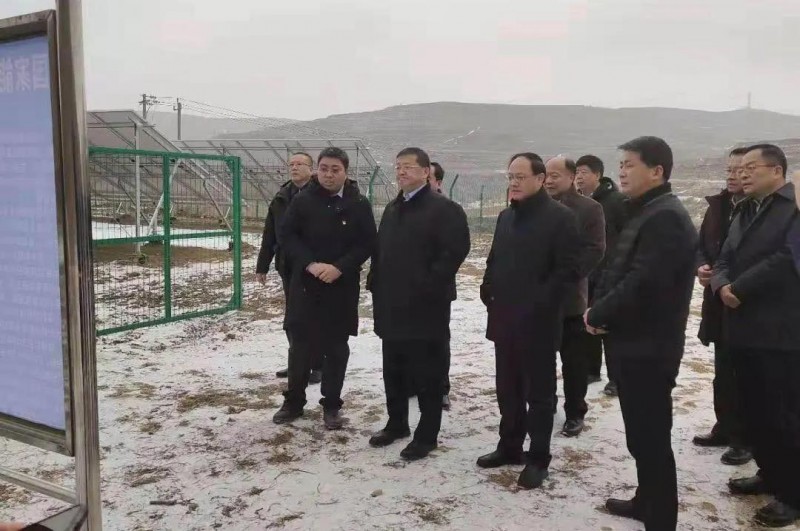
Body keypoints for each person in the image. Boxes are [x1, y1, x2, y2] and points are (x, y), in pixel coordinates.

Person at [585, 136, 697, 531]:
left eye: (629, 164)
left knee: (651, 439)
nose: (622, 172)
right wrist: (600, 309)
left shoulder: (665, 217)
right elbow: (619, 269)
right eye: (620, 164)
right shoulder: (645, 210)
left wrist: (600, 312)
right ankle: (646, 501)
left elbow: (642, 282)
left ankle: (660, 519)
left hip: (650, 348)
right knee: (641, 436)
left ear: (657, 171)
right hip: (633, 342)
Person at [477, 152, 580, 489]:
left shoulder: (561, 218)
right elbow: (495, 259)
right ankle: (509, 446)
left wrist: (539, 303)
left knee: (539, 394)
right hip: (504, 319)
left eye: (520, 177)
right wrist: (487, 286)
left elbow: (567, 271)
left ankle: (538, 458)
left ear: (540, 179)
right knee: (507, 389)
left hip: (538, 323)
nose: (514, 182)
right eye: (510, 177)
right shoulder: (506, 216)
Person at [710, 144, 800, 528]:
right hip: (741, 328)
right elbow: (724, 255)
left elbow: (787, 258)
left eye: (751, 167)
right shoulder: (744, 208)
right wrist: (720, 284)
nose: (742, 174)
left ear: (777, 171)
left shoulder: (793, 210)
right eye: (739, 168)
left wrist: (740, 288)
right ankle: (770, 472)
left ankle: (792, 493)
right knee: (754, 411)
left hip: (779, 332)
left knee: (784, 415)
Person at [368, 148, 470, 460]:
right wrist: (376, 282)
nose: (401, 172)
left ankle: (427, 435)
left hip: (426, 307)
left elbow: (454, 253)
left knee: (428, 374)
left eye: (409, 167)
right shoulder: (393, 207)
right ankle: (397, 423)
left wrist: (425, 286)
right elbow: (381, 251)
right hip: (391, 305)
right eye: (398, 166)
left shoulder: (444, 209)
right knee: (394, 369)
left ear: (426, 172)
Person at [273, 147, 377, 430]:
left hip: (340, 286)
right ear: (317, 170)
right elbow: (287, 235)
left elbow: (367, 242)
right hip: (305, 284)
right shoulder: (303, 200)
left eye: (335, 169)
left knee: (336, 347)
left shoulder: (358, 203)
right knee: (300, 346)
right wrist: (309, 264)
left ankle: (331, 405)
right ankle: (294, 402)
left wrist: (340, 267)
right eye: (324, 169)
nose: (329, 174)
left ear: (345, 172)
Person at [692, 147, 751, 466]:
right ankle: (725, 427)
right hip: (717, 301)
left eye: (740, 170)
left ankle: (746, 439)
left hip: (745, 301)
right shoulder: (718, 206)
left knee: (746, 375)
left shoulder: (762, 209)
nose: (733, 175)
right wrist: (701, 266)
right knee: (723, 372)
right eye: (729, 169)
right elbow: (702, 245)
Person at [544, 156, 605, 437]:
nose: (549, 180)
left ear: (571, 177)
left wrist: (566, 276)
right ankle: (545, 404)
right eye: (546, 175)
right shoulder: (535, 206)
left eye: (555, 175)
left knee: (574, 363)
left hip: (570, 300)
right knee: (542, 359)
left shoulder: (589, 208)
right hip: (539, 301)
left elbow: (595, 249)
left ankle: (575, 412)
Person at [256, 153, 323, 384]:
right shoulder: (282, 197)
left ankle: (318, 364)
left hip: (315, 267)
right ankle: (297, 362)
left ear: (311, 169)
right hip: (288, 266)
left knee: (313, 317)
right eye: (291, 164)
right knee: (293, 318)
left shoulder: (321, 195)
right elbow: (270, 233)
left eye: (299, 164)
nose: (294, 168)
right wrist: (262, 265)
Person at [575, 154, 627, 396]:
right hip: (588, 272)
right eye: (576, 172)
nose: (579, 177)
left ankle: (617, 378)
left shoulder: (616, 201)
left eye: (584, 172)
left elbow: (626, 237)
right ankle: (591, 370)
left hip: (610, 273)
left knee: (610, 326)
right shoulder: (580, 203)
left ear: (597, 174)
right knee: (587, 321)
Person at [428, 160, 454, 409]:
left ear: (438, 182)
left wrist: (431, 278)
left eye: (428, 178)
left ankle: (440, 387)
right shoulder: (401, 208)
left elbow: (453, 251)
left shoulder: (448, 210)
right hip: (405, 290)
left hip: (436, 290)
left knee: (437, 340)